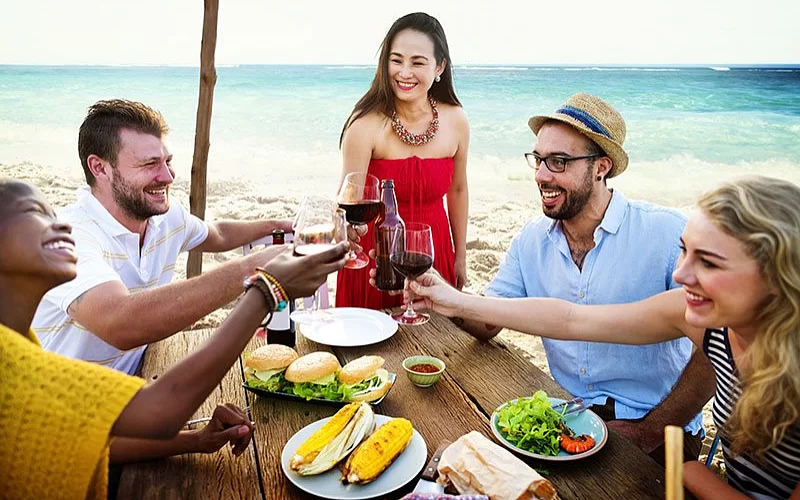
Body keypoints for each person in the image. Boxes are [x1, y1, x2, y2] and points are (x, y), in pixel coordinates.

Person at [408, 175, 800, 500]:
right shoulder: (709, 323)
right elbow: (572, 319)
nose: (681, 274)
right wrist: (455, 301)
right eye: (685, 252)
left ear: (778, 274)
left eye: (710, 262)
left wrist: (688, 470)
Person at [0, 178, 347, 499]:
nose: (60, 224)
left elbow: (85, 439)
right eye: (35, 212)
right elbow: (161, 409)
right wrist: (265, 289)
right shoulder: (11, 364)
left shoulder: (22, 344)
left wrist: (194, 440)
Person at [413, 93, 714, 462]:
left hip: (660, 424)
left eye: (559, 162)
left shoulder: (666, 234)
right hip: (569, 416)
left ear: (601, 167)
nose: (541, 175)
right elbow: (488, 321)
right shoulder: (531, 240)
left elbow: (715, 349)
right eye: (538, 160)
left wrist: (652, 428)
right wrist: (441, 296)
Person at [32, 99, 293, 375]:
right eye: (150, 164)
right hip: (58, 407)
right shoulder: (65, 236)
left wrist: (279, 225)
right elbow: (120, 323)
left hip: (132, 391)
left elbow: (217, 233)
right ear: (100, 168)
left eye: (167, 161)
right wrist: (253, 269)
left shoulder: (164, 217)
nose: (167, 176)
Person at [335, 12, 470, 309]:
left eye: (417, 62)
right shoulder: (365, 124)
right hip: (377, 259)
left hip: (434, 253)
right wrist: (346, 232)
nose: (404, 72)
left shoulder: (456, 120)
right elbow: (348, 200)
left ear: (439, 67)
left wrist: (460, 255)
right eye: (396, 60)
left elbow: (458, 190)